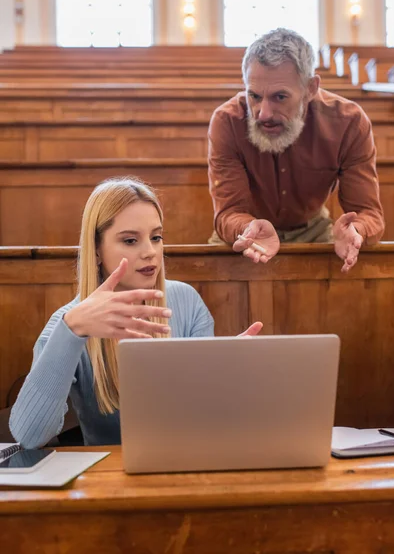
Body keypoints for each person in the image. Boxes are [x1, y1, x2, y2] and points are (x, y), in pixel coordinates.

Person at [10, 177, 262, 448]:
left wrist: (230, 372)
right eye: (130, 240)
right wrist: (71, 330)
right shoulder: (69, 321)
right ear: (96, 249)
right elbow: (29, 436)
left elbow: (205, 416)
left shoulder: (186, 301)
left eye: (156, 237)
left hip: (186, 467)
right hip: (108, 480)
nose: (150, 252)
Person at [208, 28, 385, 272]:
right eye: (255, 96)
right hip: (247, 231)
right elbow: (229, 213)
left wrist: (358, 231)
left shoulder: (349, 122)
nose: (264, 113)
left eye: (280, 97)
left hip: (313, 229)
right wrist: (247, 228)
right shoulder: (227, 121)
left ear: (311, 88)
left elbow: (369, 213)